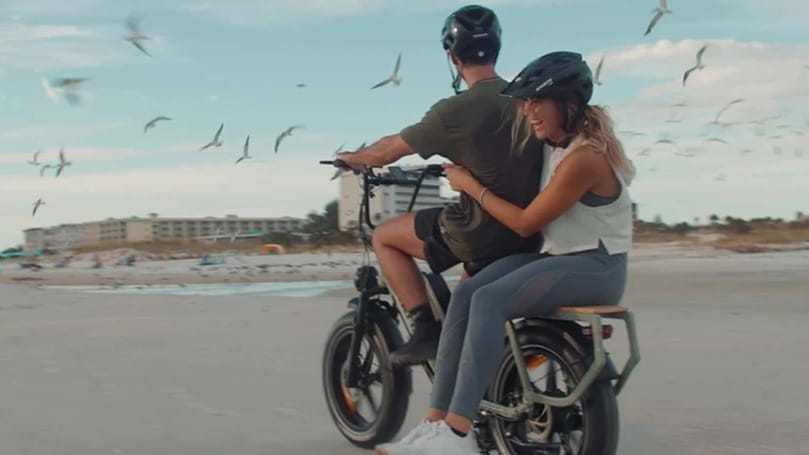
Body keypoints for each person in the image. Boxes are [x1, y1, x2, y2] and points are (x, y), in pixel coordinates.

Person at [374, 51, 635, 454]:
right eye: (525, 102)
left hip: (597, 266)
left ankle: (459, 435)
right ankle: (436, 424)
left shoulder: (585, 157)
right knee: (466, 291)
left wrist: (470, 185)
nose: (527, 111)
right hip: (562, 258)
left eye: (536, 102)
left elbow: (527, 222)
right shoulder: (557, 143)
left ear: (568, 104)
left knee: (490, 299)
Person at [336, 5, 544, 365]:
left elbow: (387, 151)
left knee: (383, 236)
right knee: (466, 309)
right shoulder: (530, 103)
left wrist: (352, 158)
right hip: (531, 232)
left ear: (452, 56)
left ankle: (426, 328)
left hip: (481, 232)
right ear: (496, 49)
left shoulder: (454, 111)